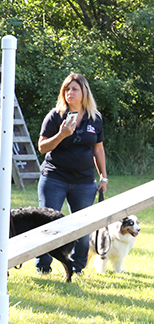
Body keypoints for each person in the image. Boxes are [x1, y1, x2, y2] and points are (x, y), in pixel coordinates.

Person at [36, 73, 107, 275]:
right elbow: (42, 147)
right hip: (54, 178)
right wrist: (61, 135)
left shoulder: (95, 118)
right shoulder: (55, 115)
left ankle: (77, 268)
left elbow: (99, 149)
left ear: (84, 92)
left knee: (83, 227)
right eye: (67, 89)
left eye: (74, 89)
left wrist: (103, 176)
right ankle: (43, 267)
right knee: (47, 224)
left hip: (84, 181)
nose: (70, 93)